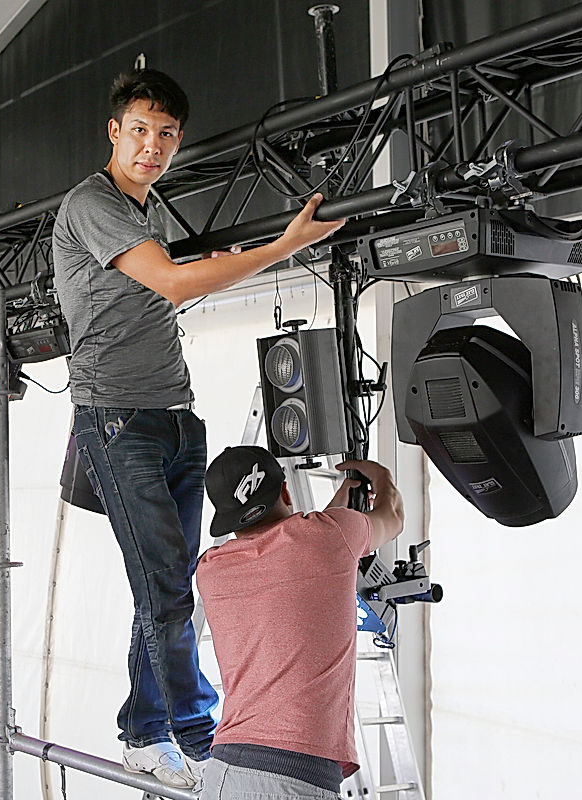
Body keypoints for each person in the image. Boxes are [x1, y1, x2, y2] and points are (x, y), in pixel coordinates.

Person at [51, 67, 346, 789]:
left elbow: (158, 298)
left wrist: (209, 269)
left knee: (172, 584)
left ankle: (144, 730)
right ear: (114, 133)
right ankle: (196, 731)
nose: (153, 146)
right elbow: (175, 285)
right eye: (141, 131)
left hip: (175, 417)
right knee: (165, 591)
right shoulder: (92, 204)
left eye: (167, 135)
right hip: (116, 421)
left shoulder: (146, 215)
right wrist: (282, 247)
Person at [195, 446, 404, 799]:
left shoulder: (210, 570)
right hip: (297, 781)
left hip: (224, 774)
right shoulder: (332, 535)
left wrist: (337, 514)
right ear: (286, 491)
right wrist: (381, 476)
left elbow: (291, 551)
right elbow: (394, 515)